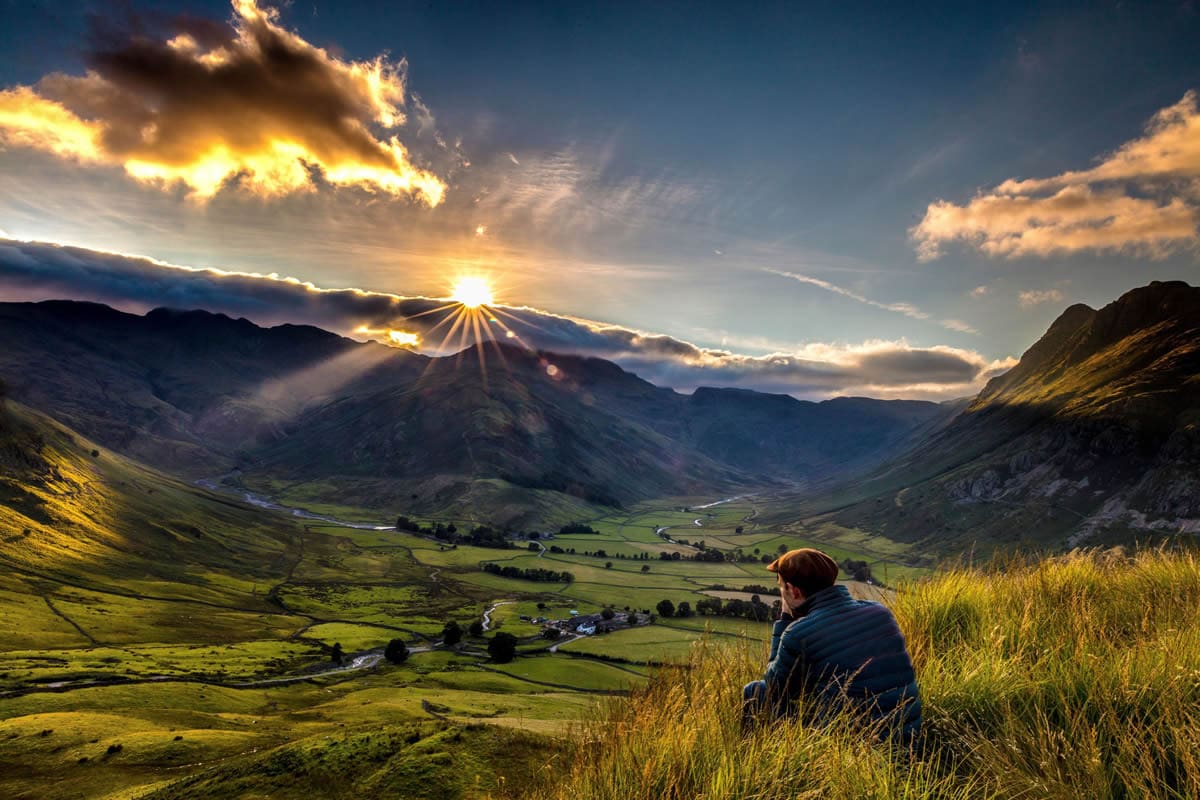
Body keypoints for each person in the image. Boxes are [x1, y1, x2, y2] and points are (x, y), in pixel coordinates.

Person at [742, 548, 921, 744]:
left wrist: (785, 619)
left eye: (781, 587)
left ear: (794, 591)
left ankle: (752, 759)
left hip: (850, 751)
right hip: (908, 739)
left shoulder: (798, 634)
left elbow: (776, 688)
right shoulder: (880, 612)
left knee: (755, 691)